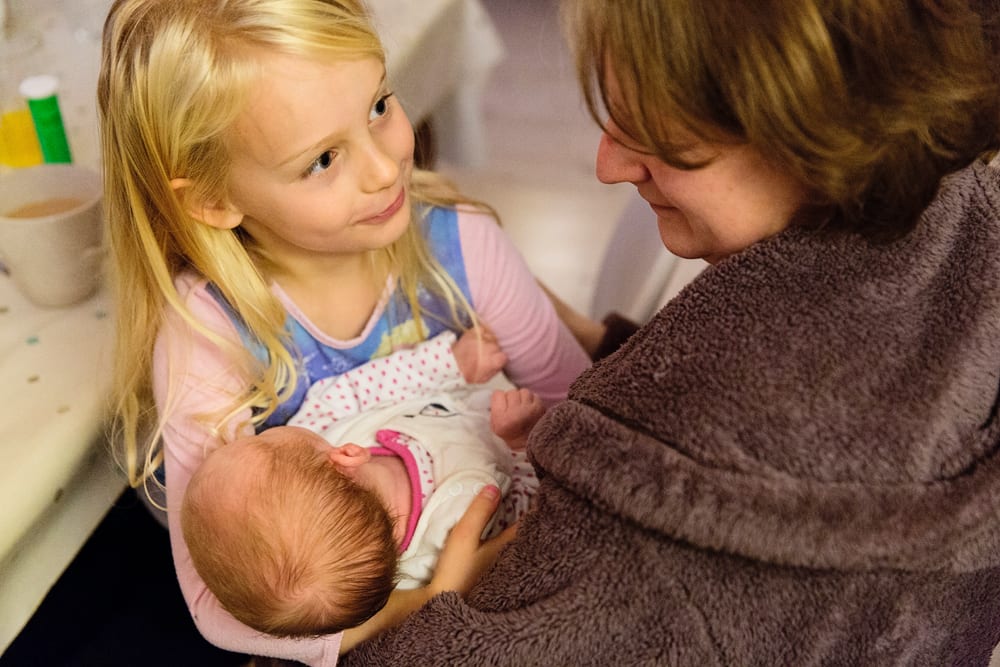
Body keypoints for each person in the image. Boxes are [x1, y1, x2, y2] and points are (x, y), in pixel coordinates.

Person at [343, 1, 1000, 665]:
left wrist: (405, 612)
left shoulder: (669, 524)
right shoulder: (966, 224)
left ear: (806, 132)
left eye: (656, 134)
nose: (608, 165)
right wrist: (590, 338)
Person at [97, 0, 590, 664]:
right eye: (323, 159)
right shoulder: (209, 331)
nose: (386, 169)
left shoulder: (465, 245)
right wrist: (435, 599)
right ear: (213, 199)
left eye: (378, 106)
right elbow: (215, 606)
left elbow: (583, 415)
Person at [182, 329, 545, 638]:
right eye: (261, 440)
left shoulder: (320, 424)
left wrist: (450, 364)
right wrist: (522, 442)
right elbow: (527, 511)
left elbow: (358, 389)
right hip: (515, 423)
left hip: (473, 389)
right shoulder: (445, 539)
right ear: (344, 458)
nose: (254, 432)